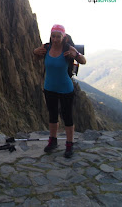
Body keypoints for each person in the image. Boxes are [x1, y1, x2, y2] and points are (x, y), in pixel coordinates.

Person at [33, 24, 86, 158]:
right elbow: (37, 57)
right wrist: (35, 52)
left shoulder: (68, 49)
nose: (55, 39)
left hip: (65, 89)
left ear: (64, 37)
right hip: (49, 87)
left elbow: (83, 61)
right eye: (53, 36)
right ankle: (53, 141)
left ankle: (69, 145)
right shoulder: (46, 48)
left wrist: (77, 54)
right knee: (52, 115)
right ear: (51, 36)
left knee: (67, 117)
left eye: (58, 36)